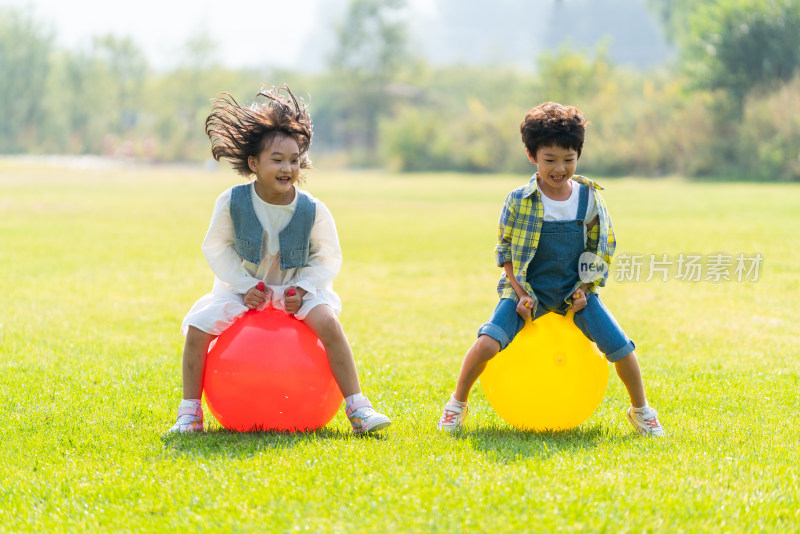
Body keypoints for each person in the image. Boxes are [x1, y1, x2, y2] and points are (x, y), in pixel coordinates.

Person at [169, 85, 391, 434]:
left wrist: (304, 288)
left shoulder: (312, 209)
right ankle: (190, 413)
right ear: (254, 164)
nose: (288, 167)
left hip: (295, 289)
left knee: (330, 325)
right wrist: (243, 287)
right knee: (197, 330)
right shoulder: (232, 201)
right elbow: (216, 247)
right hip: (240, 289)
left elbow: (327, 257)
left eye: (295, 160)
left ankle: (358, 408)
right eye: (277, 160)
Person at [437, 102, 664, 437]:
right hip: (527, 290)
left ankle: (641, 410)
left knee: (621, 348)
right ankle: (456, 404)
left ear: (578, 156)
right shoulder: (519, 199)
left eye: (568, 160)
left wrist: (585, 291)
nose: (560, 168)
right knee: (487, 343)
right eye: (550, 160)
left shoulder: (588, 198)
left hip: (575, 292)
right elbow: (506, 252)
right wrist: (520, 293)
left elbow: (602, 247)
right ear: (532, 156)